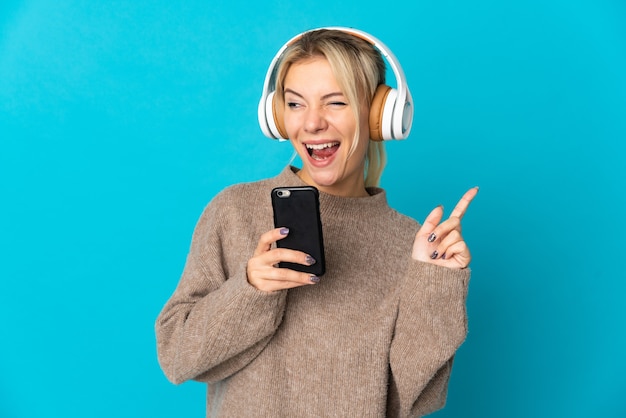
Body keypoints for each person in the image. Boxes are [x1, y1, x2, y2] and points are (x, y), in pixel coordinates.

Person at [155, 27, 478, 417]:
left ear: (378, 115)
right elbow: (176, 356)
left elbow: (413, 400)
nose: (312, 124)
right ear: (276, 115)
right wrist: (251, 290)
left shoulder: (409, 244)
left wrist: (434, 287)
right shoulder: (234, 211)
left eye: (335, 102)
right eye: (295, 104)